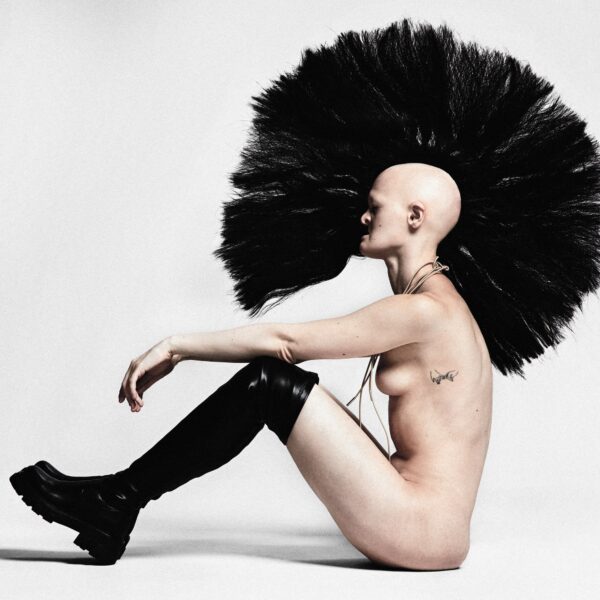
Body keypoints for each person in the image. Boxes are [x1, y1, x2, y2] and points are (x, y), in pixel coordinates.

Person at [10, 162, 492, 571]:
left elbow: (287, 343)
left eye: (375, 206)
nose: (363, 216)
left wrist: (176, 347)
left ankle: (115, 503)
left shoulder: (426, 310)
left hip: (419, 529)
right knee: (285, 385)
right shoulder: (435, 303)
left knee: (273, 384)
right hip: (424, 522)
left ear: (414, 217)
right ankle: (114, 501)